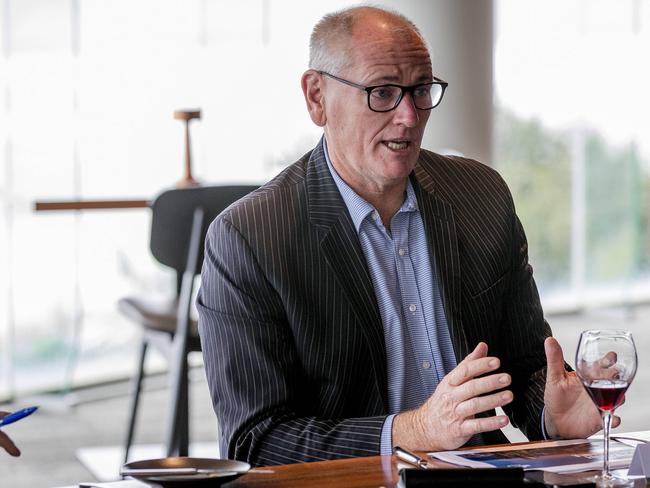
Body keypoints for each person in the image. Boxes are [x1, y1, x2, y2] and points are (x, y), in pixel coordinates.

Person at [197, 6, 610, 466]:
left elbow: (525, 368)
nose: (409, 117)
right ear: (317, 97)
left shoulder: (482, 196)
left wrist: (553, 416)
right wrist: (414, 431)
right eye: (383, 92)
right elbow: (255, 440)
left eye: (420, 91)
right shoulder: (247, 239)